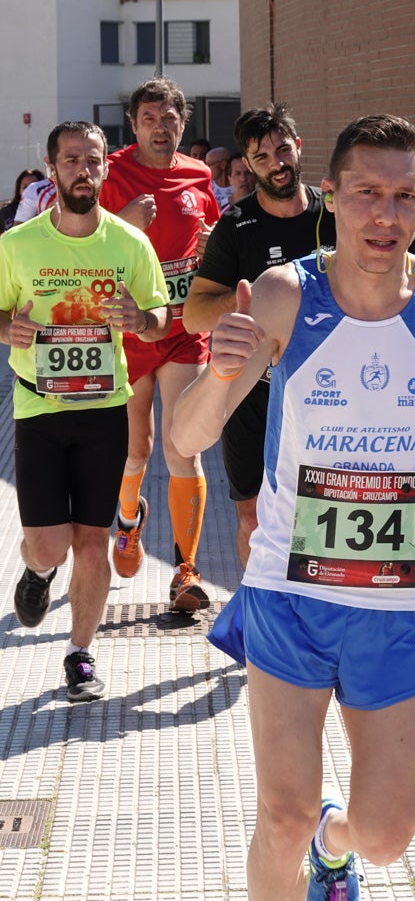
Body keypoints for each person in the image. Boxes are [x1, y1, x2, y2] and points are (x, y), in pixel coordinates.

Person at [172, 114, 415, 901]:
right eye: (367, 192)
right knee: (279, 814)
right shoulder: (282, 295)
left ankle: (338, 846)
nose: (384, 213)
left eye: (404, 194)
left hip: (400, 600)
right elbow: (186, 435)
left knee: (388, 836)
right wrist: (217, 369)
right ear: (332, 198)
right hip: (288, 591)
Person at [0, 121, 170, 702]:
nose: (83, 169)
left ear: (104, 167)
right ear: (53, 169)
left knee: (92, 542)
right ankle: (37, 570)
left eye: (92, 160)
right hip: (39, 408)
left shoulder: (129, 242)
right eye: (71, 160)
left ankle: (80, 654)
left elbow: (160, 315)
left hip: (104, 409)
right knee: (49, 543)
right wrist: (9, 327)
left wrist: (139, 322)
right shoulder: (17, 245)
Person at [183, 103, 337, 566]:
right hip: (255, 392)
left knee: (318, 515)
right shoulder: (236, 225)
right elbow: (193, 315)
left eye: (282, 150)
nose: (277, 164)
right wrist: (250, 301)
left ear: (298, 148)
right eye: (263, 157)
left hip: (326, 392)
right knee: (251, 517)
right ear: (247, 166)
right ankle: (256, 626)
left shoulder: (336, 214)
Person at [99, 77, 220, 612]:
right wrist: (124, 223)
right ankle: (127, 522)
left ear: (182, 124)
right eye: (150, 118)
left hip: (182, 330)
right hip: (126, 330)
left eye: (170, 118)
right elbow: (84, 244)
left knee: (182, 446)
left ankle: (185, 570)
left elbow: (211, 240)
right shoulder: (113, 173)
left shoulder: (198, 175)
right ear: (134, 124)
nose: (161, 127)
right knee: (137, 448)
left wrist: (216, 247)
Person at [0, 168, 44, 233]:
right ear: (19, 190)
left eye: (34, 187)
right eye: (25, 187)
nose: (29, 191)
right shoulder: (6, 211)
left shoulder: (47, 210)